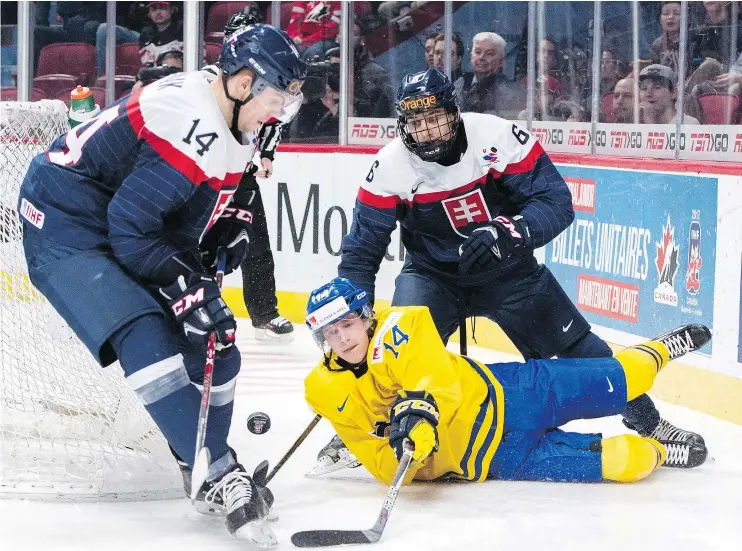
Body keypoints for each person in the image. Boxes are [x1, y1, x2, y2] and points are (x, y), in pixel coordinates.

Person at [311, 68, 707, 475]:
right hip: (433, 277)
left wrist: (510, 231)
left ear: (454, 112)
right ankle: (366, 426)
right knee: (391, 348)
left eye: (435, 119)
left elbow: (556, 201)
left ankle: (648, 422)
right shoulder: (390, 166)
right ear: (403, 124)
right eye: (416, 123)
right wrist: (352, 314)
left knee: (578, 349)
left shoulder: (498, 137)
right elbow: (362, 252)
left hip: (508, 270)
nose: (427, 132)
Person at [17, 24, 307, 545]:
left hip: (117, 215)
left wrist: (230, 223)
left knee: (219, 344)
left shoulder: (229, 114)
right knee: (146, 334)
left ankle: (201, 465)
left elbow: (194, 202)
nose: (279, 112)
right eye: (274, 97)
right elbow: (132, 231)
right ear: (242, 83)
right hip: (65, 221)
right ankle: (218, 471)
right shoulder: (190, 122)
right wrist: (187, 286)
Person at [304, 277, 711, 485]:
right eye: (331, 333)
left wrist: (419, 418)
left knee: (620, 378)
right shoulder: (325, 390)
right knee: (623, 464)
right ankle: (661, 452)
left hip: (512, 393)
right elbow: (378, 463)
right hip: (495, 459)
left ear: (365, 317)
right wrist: (407, 457)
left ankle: (661, 350)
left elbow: (435, 379)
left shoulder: (399, 328)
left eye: (347, 325)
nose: (342, 338)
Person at [201, 11, 303, 341]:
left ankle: (264, 313)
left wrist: (267, 154)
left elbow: (273, 120)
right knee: (196, 239)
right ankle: (194, 306)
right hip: (205, 172)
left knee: (253, 241)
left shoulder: (267, 83)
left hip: (242, 172)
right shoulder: (209, 81)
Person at [459, 32, 518, 117]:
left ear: (501, 61)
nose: (481, 57)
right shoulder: (459, 84)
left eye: (489, 53)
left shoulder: (509, 93)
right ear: (471, 56)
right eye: (478, 52)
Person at [138, 1, 183, 67]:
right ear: (149, 13)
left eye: (163, 8)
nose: (158, 12)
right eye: (154, 9)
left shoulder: (183, 28)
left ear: (172, 10)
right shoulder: (146, 34)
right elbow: (146, 64)